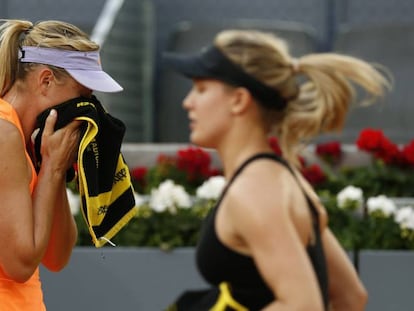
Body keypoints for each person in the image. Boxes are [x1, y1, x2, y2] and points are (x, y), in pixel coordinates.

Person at [164, 29, 391, 310]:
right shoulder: (280, 179)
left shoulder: (253, 192)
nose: (188, 103)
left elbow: (303, 305)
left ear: (239, 100)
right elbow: (350, 296)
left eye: (200, 89)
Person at [0, 19, 123, 310]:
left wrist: (51, 169)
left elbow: (56, 257)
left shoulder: (26, 139)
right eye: (82, 96)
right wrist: (53, 168)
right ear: (45, 81)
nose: (88, 110)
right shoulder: (4, 133)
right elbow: (20, 264)